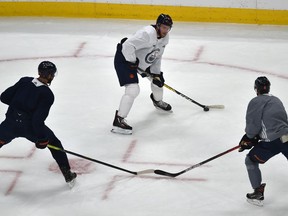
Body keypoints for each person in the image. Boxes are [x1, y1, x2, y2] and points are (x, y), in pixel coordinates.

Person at [0, 61, 77, 187]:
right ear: (50, 75)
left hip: (10, 125)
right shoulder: (47, 94)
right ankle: (67, 174)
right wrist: (42, 139)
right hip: (29, 128)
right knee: (54, 143)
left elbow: (4, 97)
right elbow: (37, 121)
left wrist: (17, 107)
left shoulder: (24, 81)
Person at [111, 13, 173, 135]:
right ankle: (119, 120)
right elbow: (127, 46)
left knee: (158, 82)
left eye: (168, 28)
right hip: (124, 58)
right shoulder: (147, 34)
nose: (166, 31)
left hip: (140, 60)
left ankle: (157, 101)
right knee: (133, 89)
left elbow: (157, 55)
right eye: (164, 27)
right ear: (158, 25)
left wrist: (155, 74)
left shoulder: (165, 38)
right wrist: (132, 62)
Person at [238, 76, 288, 206]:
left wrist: (249, 138)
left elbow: (253, 125)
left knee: (250, 160)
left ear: (256, 89)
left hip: (272, 142)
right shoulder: (276, 100)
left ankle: (257, 194)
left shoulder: (255, 101)